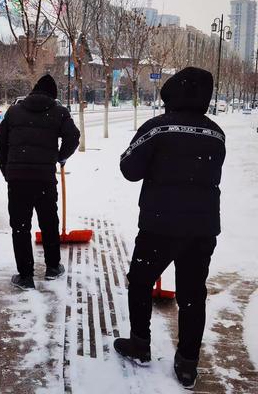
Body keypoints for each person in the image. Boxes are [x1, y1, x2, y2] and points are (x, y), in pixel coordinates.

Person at [114, 67, 226, 389]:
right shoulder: (216, 134)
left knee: (140, 281)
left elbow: (128, 168)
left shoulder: (157, 128)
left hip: (159, 226)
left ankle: (139, 343)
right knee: (192, 294)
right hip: (202, 228)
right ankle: (188, 363)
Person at [0, 74, 80, 290]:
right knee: (49, 221)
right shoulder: (59, 112)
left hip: (18, 181)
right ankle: (52, 267)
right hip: (44, 179)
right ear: (53, 94)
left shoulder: (14, 112)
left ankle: (25, 276)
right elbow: (73, 137)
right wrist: (60, 156)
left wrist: (8, 171)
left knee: (20, 227)